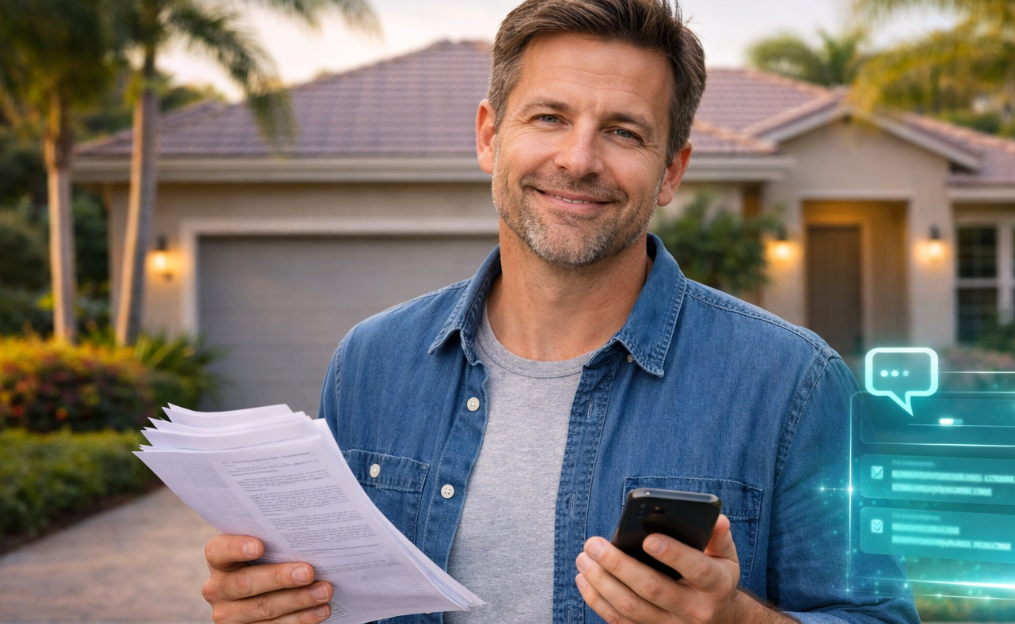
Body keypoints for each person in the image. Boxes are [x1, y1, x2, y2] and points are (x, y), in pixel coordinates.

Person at [201, 1, 921, 623]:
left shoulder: (790, 383)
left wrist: (732, 618)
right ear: (490, 136)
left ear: (671, 170)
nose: (579, 159)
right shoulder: (370, 364)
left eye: (624, 131)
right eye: (549, 117)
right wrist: (272, 604)